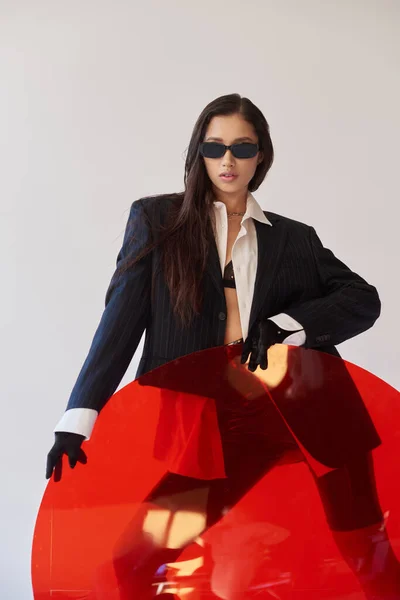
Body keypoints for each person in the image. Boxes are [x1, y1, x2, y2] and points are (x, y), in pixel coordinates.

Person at [46, 93, 399, 599]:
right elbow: (119, 322)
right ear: (198, 153)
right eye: (214, 148)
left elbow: (363, 299)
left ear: (262, 156)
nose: (227, 160)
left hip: (316, 415)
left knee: (370, 559)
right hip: (224, 429)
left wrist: (287, 324)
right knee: (137, 561)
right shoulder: (159, 221)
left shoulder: (294, 239)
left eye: (241, 147)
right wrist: (79, 416)